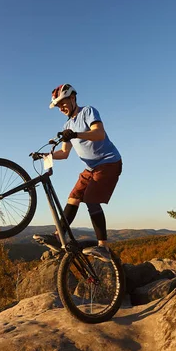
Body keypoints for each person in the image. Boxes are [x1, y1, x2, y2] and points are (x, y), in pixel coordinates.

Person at [33, 84, 122, 262]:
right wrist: (45, 155)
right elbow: (64, 154)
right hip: (90, 168)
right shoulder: (68, 124)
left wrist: (75, 135)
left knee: (90, 199)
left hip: (109, 162)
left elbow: (99, 134)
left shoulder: (88, 111)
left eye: (63, 103)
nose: (61, 108)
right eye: (58, 106)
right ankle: (59, 236)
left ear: (72, 98)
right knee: (73, 197)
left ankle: (103, 247)